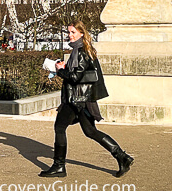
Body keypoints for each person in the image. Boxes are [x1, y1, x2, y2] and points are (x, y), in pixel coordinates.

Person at [39, 21, 134, 178]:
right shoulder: (81, 50)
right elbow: (79, 73)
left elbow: (76, 77)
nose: (70, 35)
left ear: (81, 33)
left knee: (60, 127)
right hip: (83, 99)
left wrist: (60, 71)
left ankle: (59, 166)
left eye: (73, 32)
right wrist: (65, 67)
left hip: (76, 99)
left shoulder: (81, 52)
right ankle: (122, 157)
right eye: (69, 32)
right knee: (90, 131)